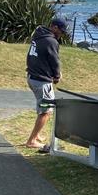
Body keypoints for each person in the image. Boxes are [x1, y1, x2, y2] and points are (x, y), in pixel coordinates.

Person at [25, 17, 68, 149]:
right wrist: (56, 76)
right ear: (54, 27)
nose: (61, 34)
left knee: (42, 108)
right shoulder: (51, 41)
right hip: (41, 81)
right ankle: (31, 141)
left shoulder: (38, 35)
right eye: (60, 30)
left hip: (32, 77)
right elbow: (54, 61)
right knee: (46, 111)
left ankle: (36, 135)